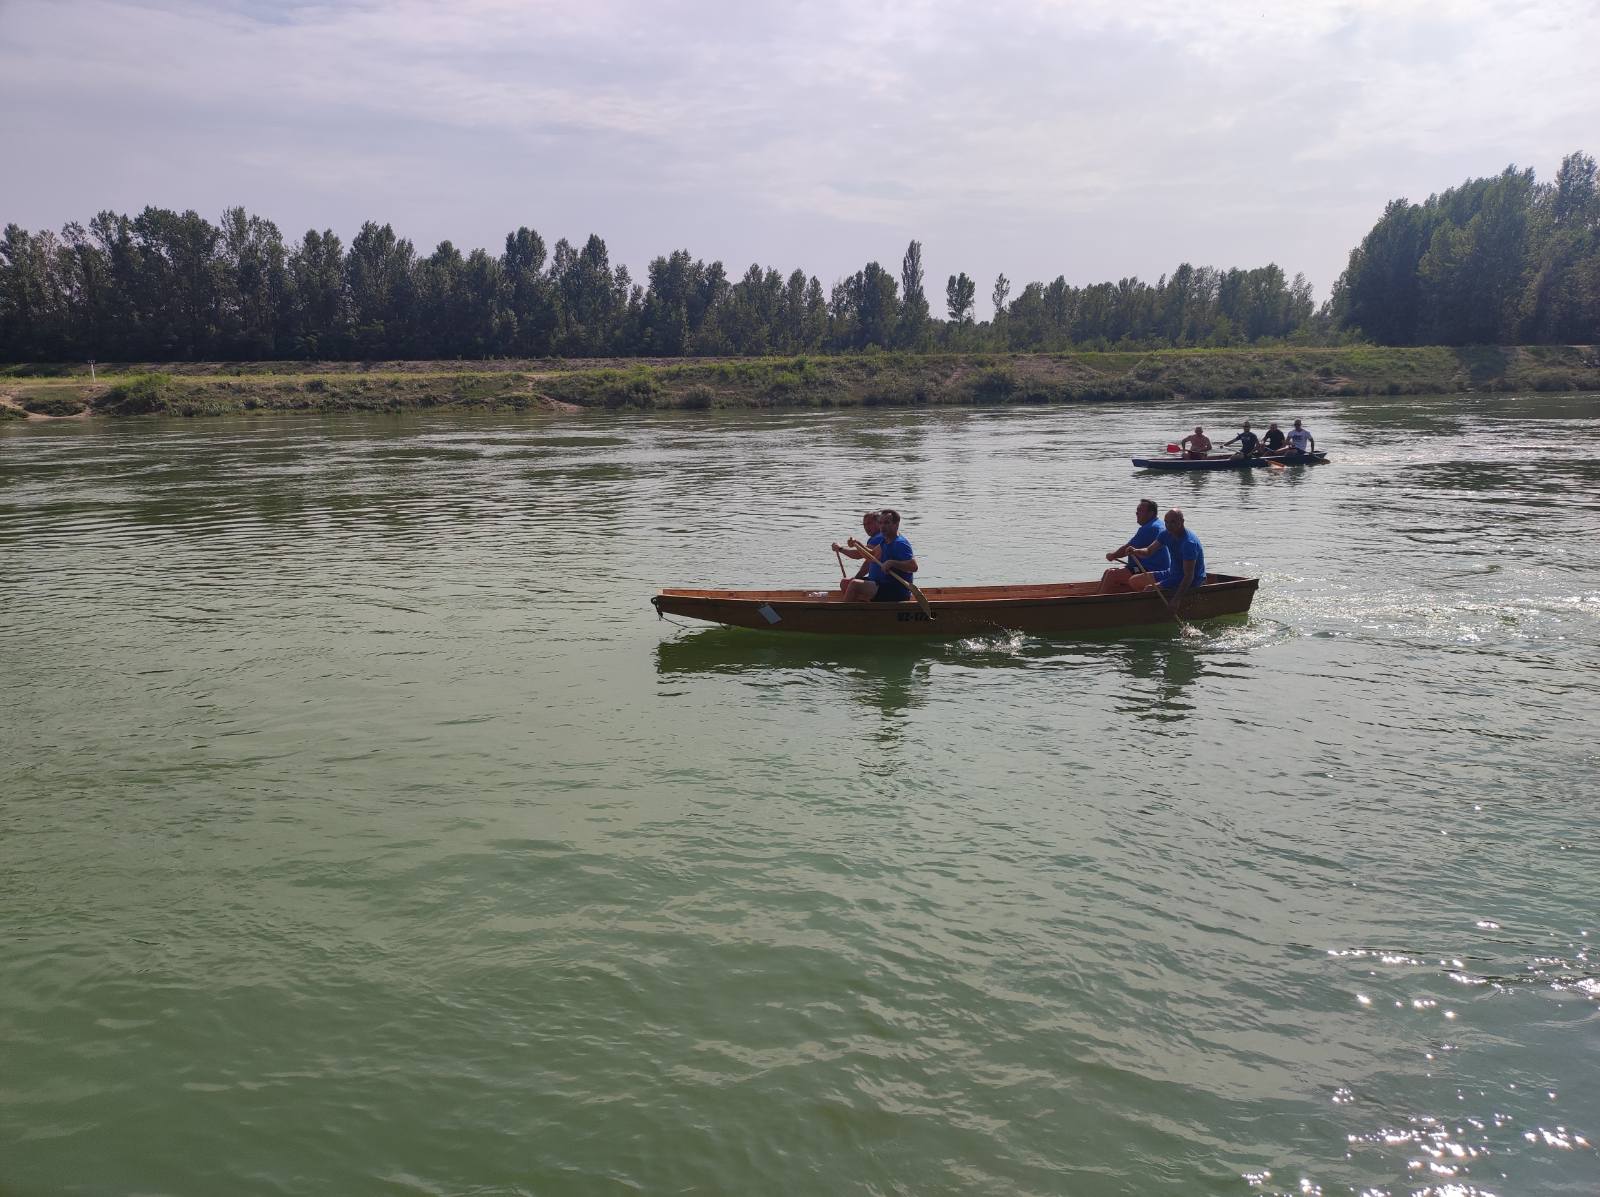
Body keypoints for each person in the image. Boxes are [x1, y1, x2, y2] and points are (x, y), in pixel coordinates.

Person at [1127, 508, 1206, 611]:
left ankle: (1157, 611)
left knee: (1149, 589)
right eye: (1166, 522)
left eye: (1173, 522)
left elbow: (1188, 576)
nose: (1169, 525)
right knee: (1134, 581)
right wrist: (1135, 551)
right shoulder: (1166, 534)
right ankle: (1159, 606)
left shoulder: (1189, 543)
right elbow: (1148, 551)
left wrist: (1176, 600)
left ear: (1181, 522)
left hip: (1191, 579)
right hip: (1172, 573)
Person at [842, 508, 918, 602]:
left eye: (886, 523)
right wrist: (857, 544)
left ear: (896, 524)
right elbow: (871, 555)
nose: (882, 526)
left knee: (854, 584)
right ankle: (860, 613)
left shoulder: (900, 543)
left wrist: (892, 563)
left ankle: (842, 614)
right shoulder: (884, 541)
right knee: (846, 583)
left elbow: (914, 566)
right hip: (880, 584)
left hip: (895, 590)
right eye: (881, 523)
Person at [1100, 498, 1171, 592]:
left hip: (1151, 570)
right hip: (1152, 567)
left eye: (1140, 511)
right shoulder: (1159, 524)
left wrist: (1113, 555)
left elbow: (1126, 549)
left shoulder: (1150, 528)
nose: (1137, 513)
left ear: (1151, 513)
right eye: (1137, 511)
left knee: (1112, 575)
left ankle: (1094, 602)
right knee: (1109, 573)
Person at [832, 510, 882, 596]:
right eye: (864, 525)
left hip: (881, 583)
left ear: (879, 523)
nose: (866, 527)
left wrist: (840, 549)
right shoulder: (874, 538)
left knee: (849, 584)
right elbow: (868, 562)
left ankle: (849, 607)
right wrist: (857, 577)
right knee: (845, 583)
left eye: (869, 523)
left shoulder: (879, 537)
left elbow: (858, 555)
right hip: (874, 580)